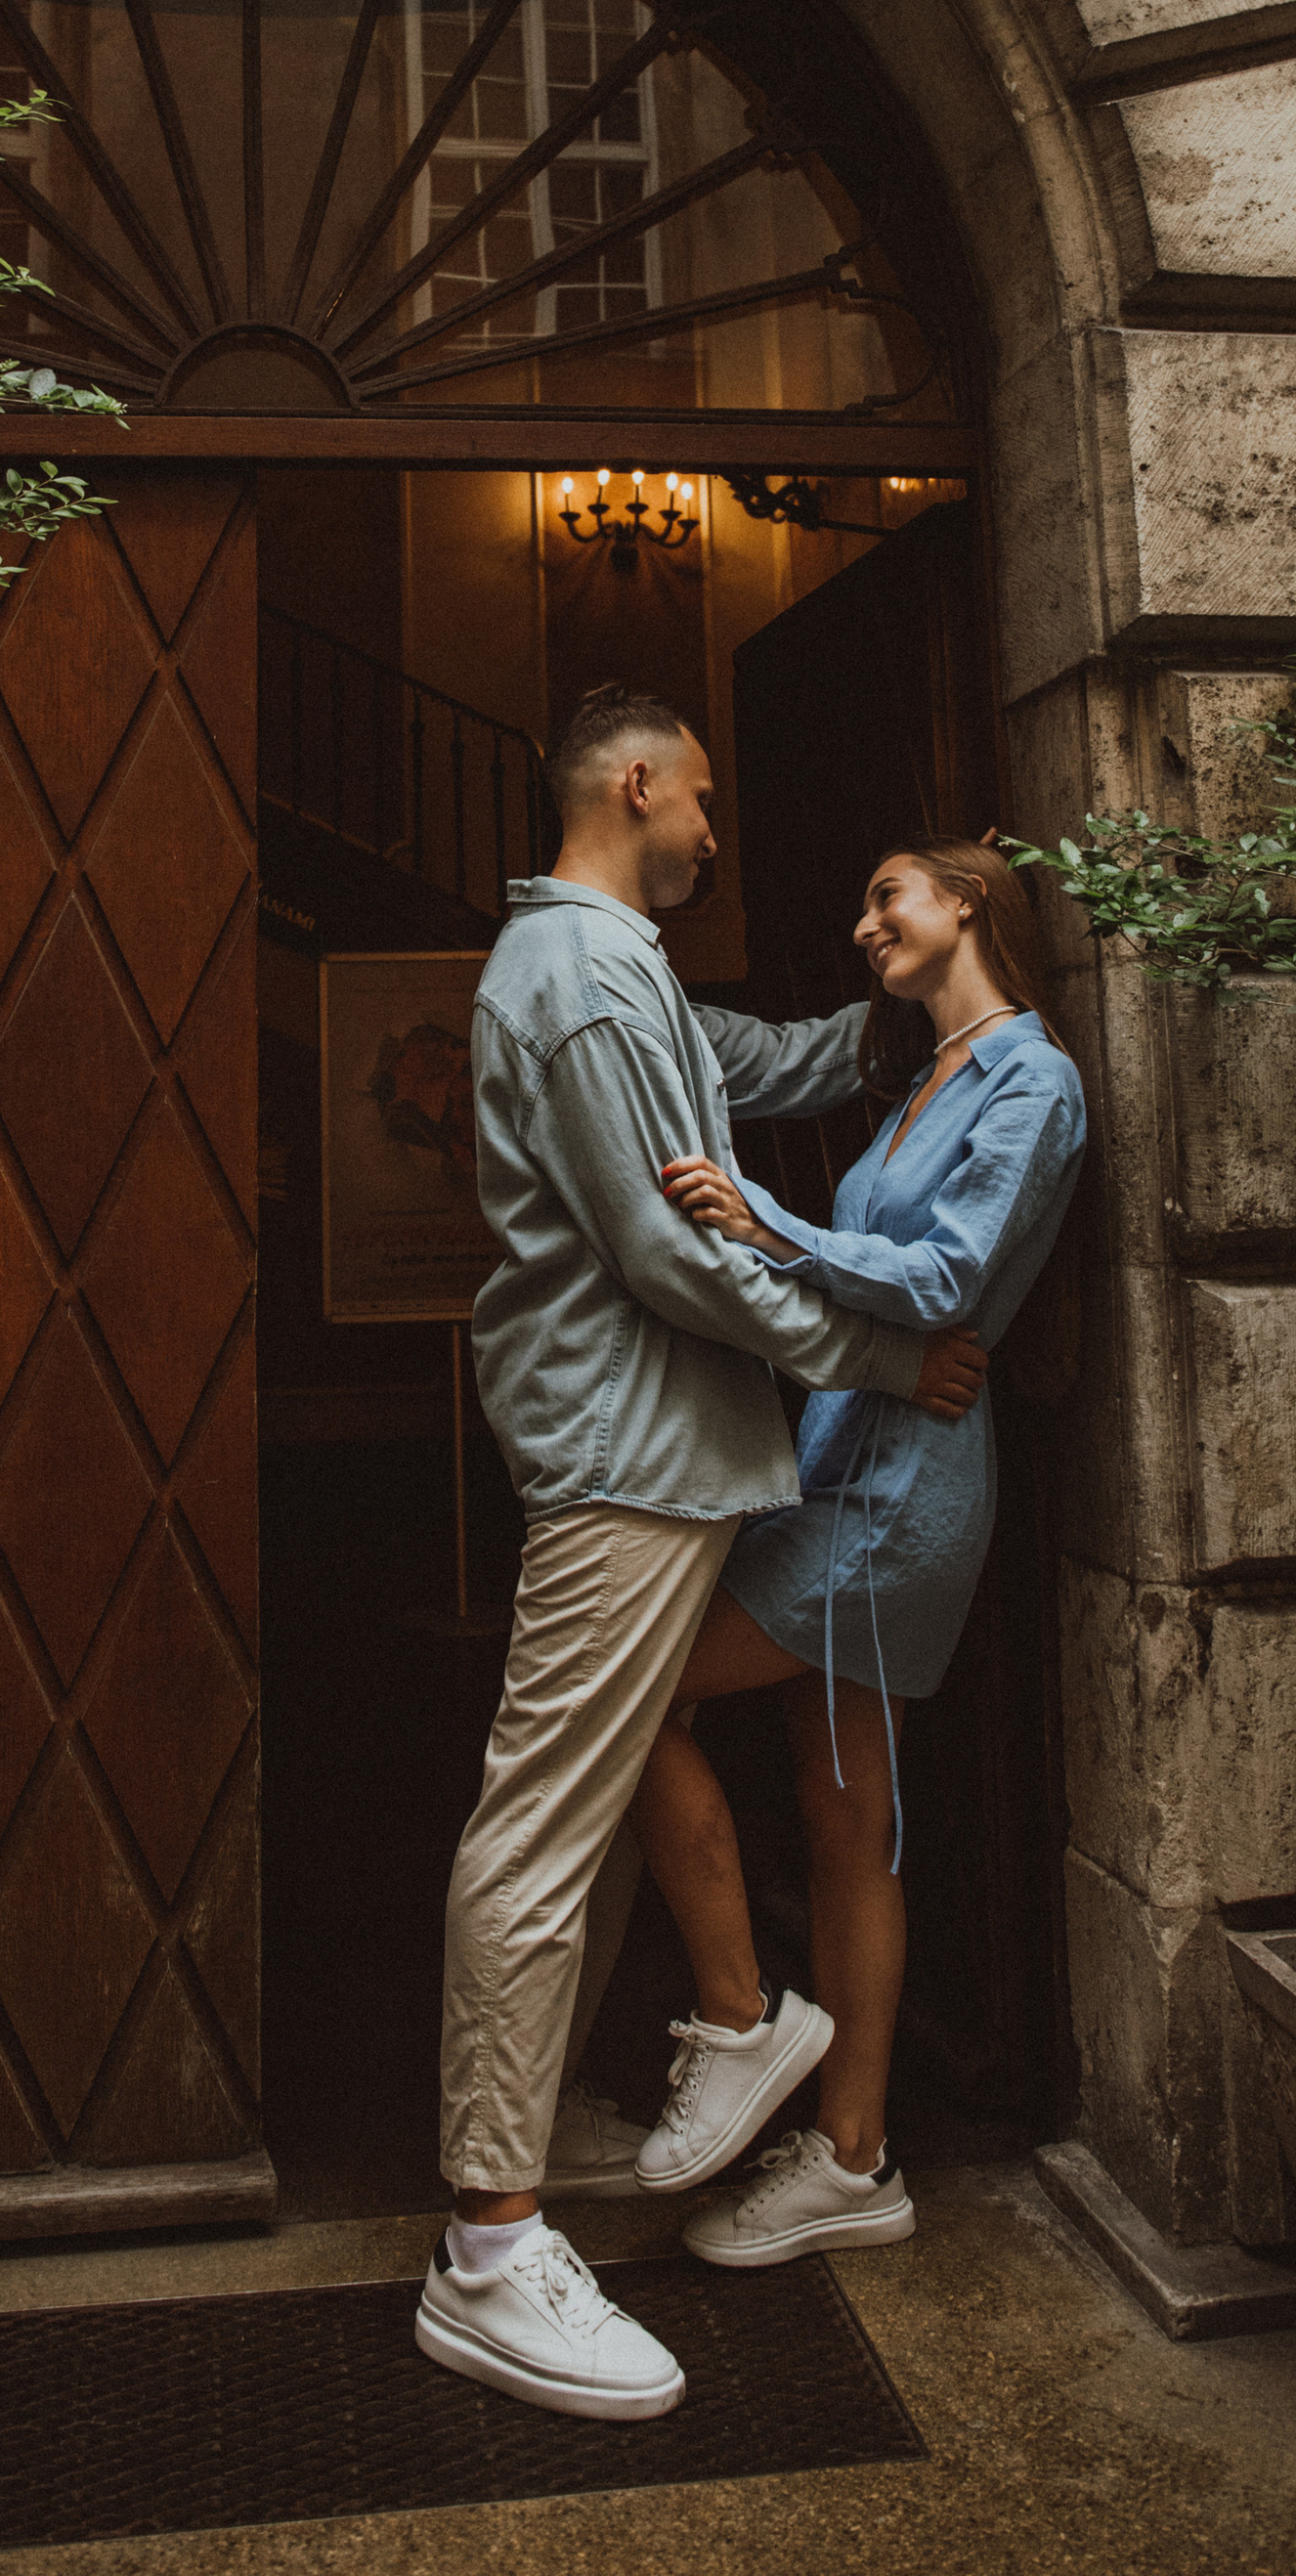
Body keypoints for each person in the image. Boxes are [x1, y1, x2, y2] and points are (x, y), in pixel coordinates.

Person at [418, 692, 990, 2424]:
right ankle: (493, 2254)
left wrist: (907, 1028)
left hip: (658, 1454)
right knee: (535, 1827)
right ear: (639, 785)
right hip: (625, 1459)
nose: (721, 830)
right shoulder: (584, 975)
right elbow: (673, 1251)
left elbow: (744, 1070)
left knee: (577, 1822)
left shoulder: (623, 972)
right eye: (709, 799)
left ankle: (540, 2146)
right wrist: (882, 1356)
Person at [635, 836, 1085, 2271]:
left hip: (900, 1497)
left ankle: (749, 2031)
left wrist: (754, 1208)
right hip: (842, 1457)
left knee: (632, 1700)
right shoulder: (917, 1082)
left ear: (969, 906)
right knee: (849, 1823)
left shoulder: (1034, 1079)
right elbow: (885, 1285)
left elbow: (948, 1280)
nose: (865, 919)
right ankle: (853, 2158)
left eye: (887, 894)